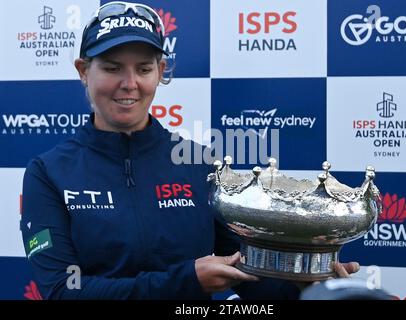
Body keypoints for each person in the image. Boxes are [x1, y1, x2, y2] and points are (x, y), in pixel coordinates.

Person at [20, 1, 359, 299]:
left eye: (143, 68)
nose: (129, 84)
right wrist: (187, 281)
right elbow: (64, 291)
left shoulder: (199, 162)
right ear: (83, 71)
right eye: (111, 68)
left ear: (161, 72)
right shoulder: (48, 172)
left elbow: (244, 274)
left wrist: (303, 281)